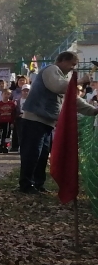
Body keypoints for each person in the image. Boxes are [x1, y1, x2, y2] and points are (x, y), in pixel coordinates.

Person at [19, 51, 98, 194]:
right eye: (72, 64)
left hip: (46, 122)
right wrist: (80, 81)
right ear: (63, 60)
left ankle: (38, 183)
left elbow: (74, 100)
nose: (73, 68)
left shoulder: (63, 78)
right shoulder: (51, 70)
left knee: (42, 155)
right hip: (34, 120)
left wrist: (93, 111)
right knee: (32, 154)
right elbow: (58, 86)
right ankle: (26, 185)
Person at [0, 89, 16, 154]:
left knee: (7, 135)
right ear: (2, 94)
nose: (6, 95)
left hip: (8, 121)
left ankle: (6, 146)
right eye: (5, 94)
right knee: (0, 134)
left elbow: (14, 114)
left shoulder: (12, 104)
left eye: (8, 94)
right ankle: (0, 146)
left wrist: (13, 122)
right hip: (1, 121)